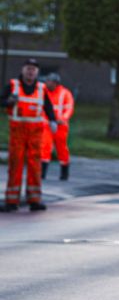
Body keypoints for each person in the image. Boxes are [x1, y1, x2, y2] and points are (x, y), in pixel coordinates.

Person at [4, 58, 56, 211]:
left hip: (35, 133)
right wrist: (8, 102)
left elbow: (48, 105)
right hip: (18, 132)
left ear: (37, 72)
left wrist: (52, 120)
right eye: (28, 68)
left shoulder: (42, 88)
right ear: (23, 69)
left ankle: (34, 200)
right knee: (15, 165)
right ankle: (11, 201)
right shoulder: (13, 86)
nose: (30, 71)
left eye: (33, 69)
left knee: (35, 166)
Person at [41, 72, 74, 181]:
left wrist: (63, 119)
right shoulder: (44, 92)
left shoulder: (65, 93)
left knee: (62, 149)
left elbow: (69, 108)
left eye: (48, 81)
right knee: (45, 146)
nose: (46, 83)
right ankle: (42, 173)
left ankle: (64, 173)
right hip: (47, 124)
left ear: (55, 83)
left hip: (61, 126)